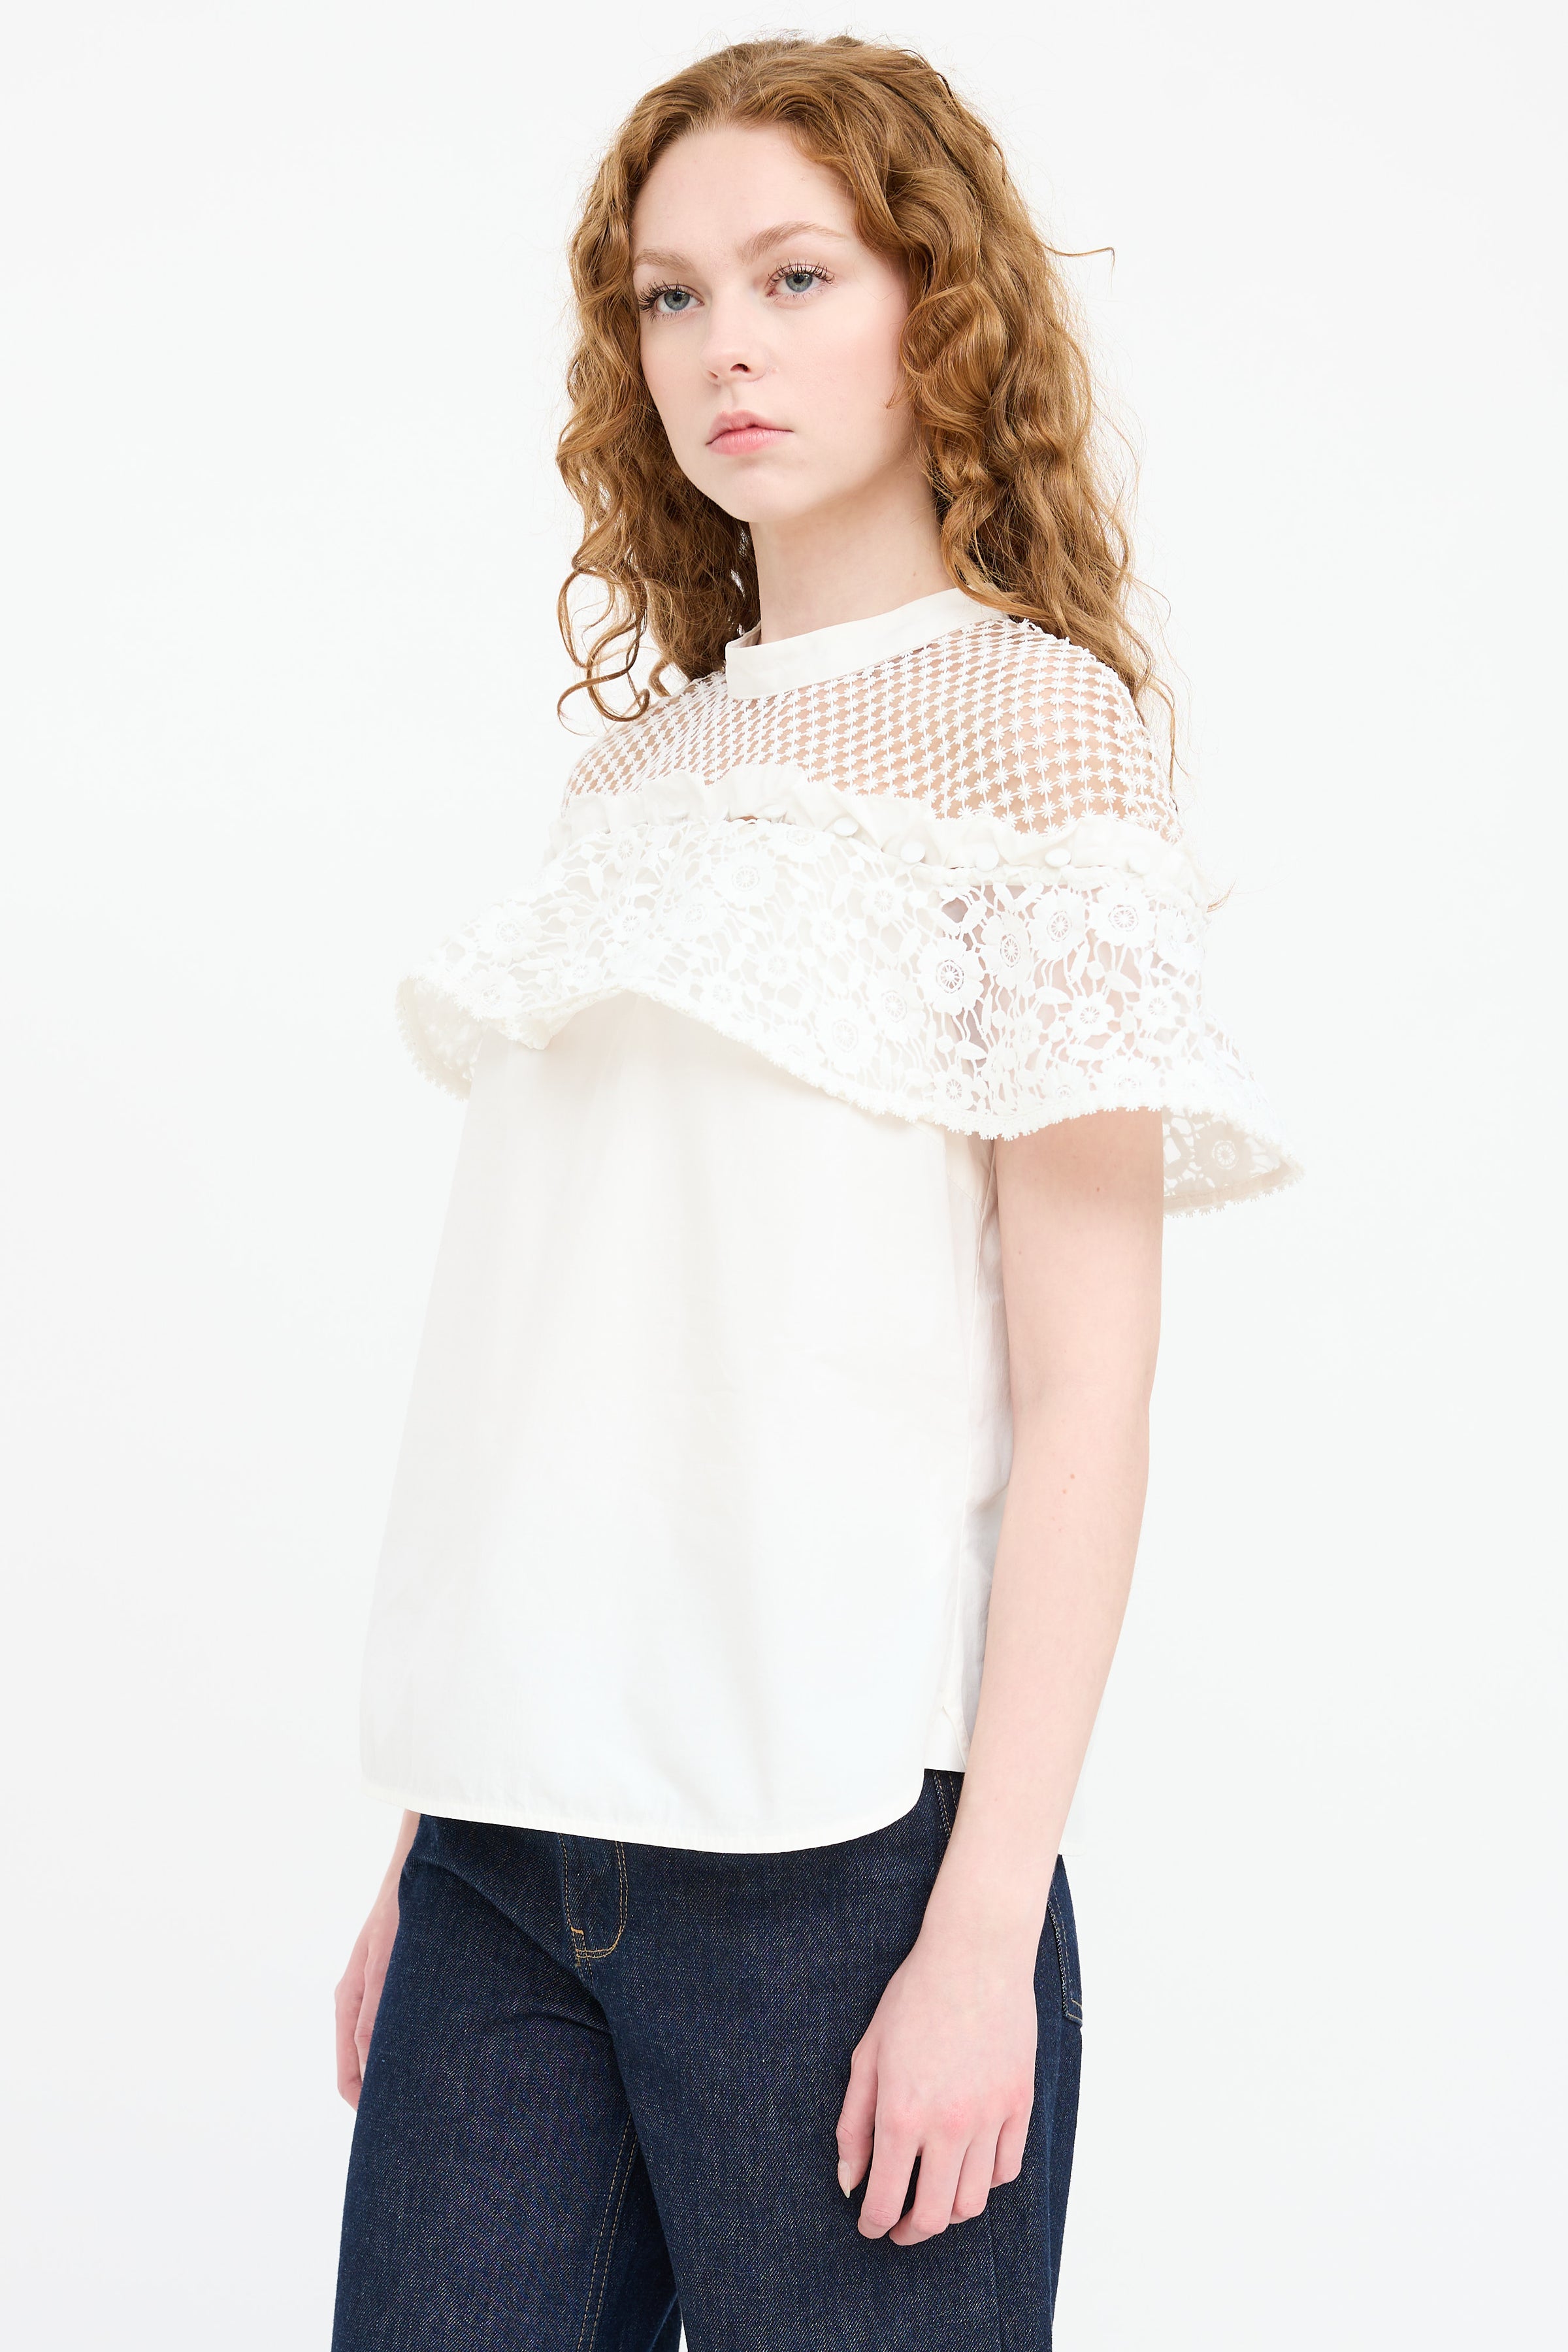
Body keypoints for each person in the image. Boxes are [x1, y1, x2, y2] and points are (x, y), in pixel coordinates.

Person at [330, 35, 1298, 2351]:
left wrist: (982, 1936)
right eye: (671, 297)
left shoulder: (1035, 734)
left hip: (840, 1868)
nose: (723, 349)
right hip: (505, 1858)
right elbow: (574, 1362)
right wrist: (430, 1834)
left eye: (792, 277)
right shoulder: (639, 779)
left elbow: (1085, 1398)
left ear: (933, 305)